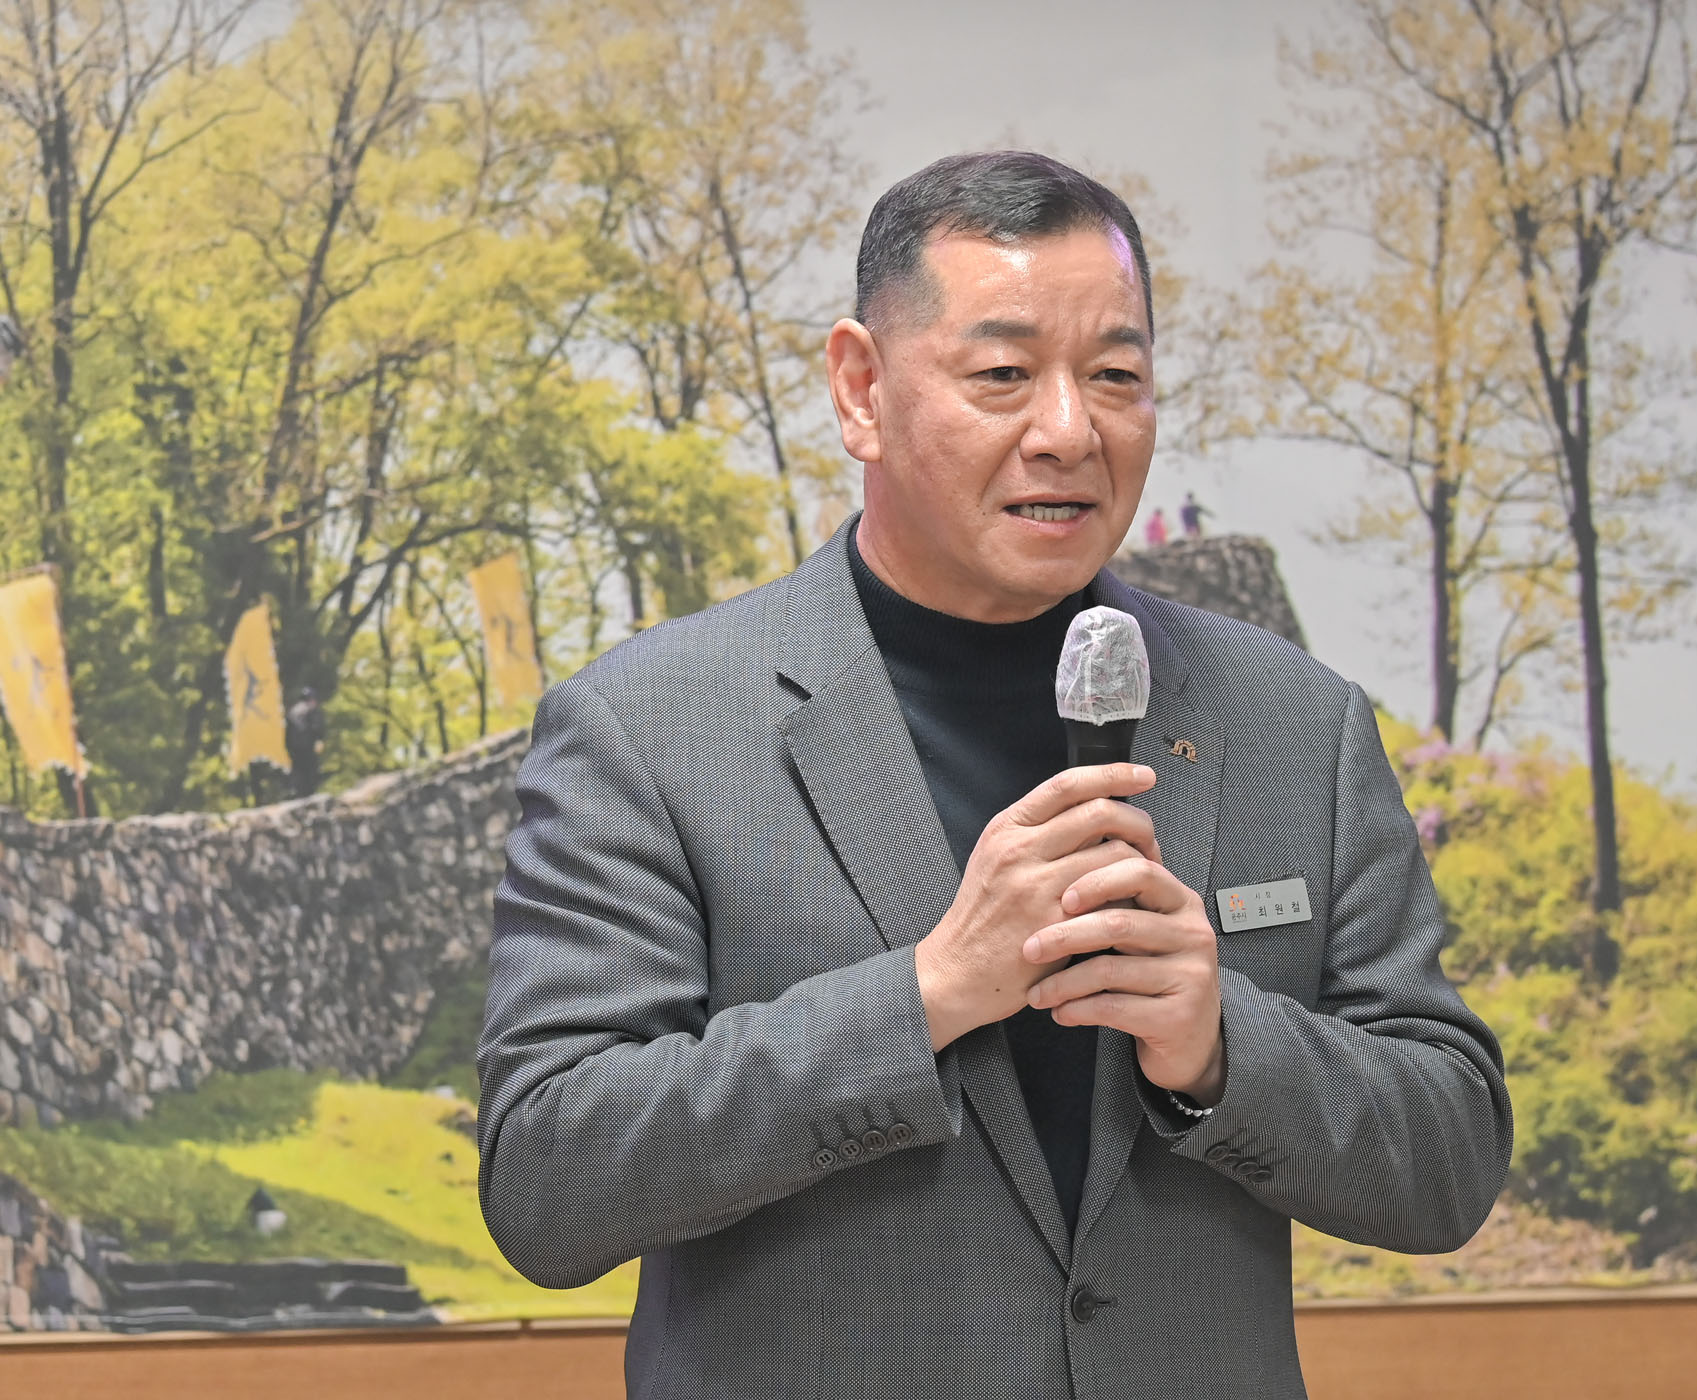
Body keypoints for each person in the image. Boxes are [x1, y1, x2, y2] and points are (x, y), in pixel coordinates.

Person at [477, 151, 1510, 1400]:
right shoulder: (647, 728)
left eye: (1115, 375)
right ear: (862, 389)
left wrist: (1218, 1042)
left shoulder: (1295, 721)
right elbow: (549, 1180)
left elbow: (1450, 1157)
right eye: (1004, 374)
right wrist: (926, 993)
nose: (1069, 430)